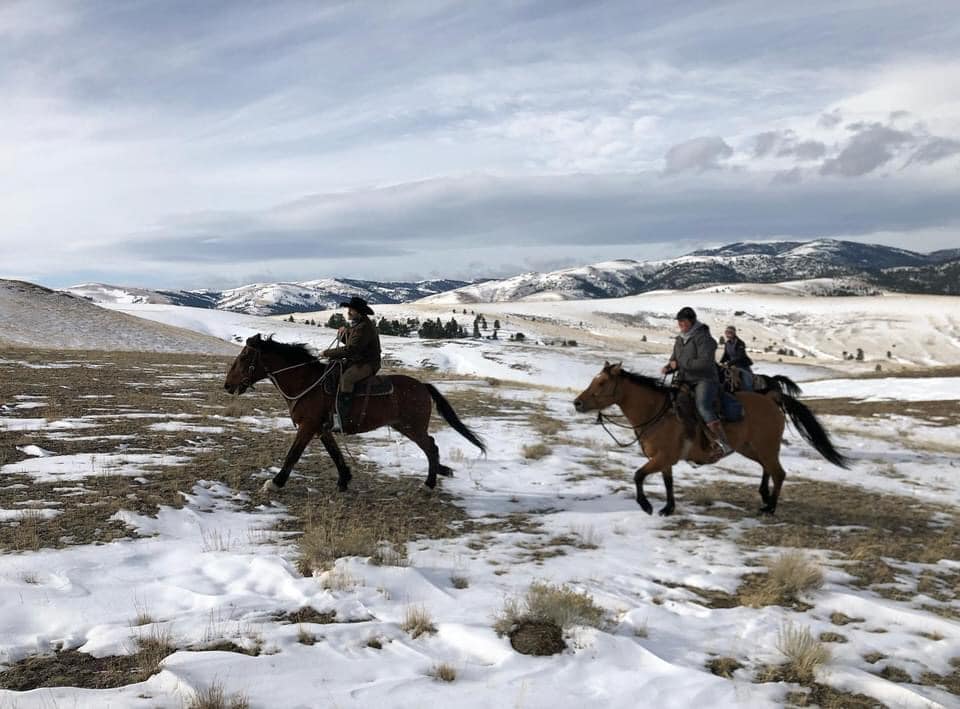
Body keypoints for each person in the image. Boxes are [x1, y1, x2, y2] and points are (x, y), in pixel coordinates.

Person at [661, 306, 733, 456]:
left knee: (703, 406)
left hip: (704, 379)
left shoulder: (704, 338)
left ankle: (723, 442)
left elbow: (705, 363)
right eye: (679, 321)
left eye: (684, 321)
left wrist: (679, 364)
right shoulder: (680, 338)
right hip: (684, 379)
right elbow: (675, 358)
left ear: (692, 321)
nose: (680, 324)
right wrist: (669, 366)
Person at [322, 296, 382, 431]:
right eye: (349, 309)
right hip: (357, 361)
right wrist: (343, 334)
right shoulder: (358, 325)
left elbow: (351, 349)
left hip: (367, 363)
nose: (348, 311)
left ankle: (343, 420)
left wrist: (327, 353)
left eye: (351, 309)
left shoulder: (363, 327)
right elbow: (353, 342)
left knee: (346, 380)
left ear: (359, 312)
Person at [720, 325, 754, 391]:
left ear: (734, 333)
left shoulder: (740, 343)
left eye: (730, 332)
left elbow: (740, 356)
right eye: (726, 332)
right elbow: (726, 355)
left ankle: (750, 393)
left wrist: (729, 363)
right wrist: (721, 362)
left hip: (742, 365)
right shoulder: (727, 343)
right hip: (732, 365)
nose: (728, 335)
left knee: (746, 379)